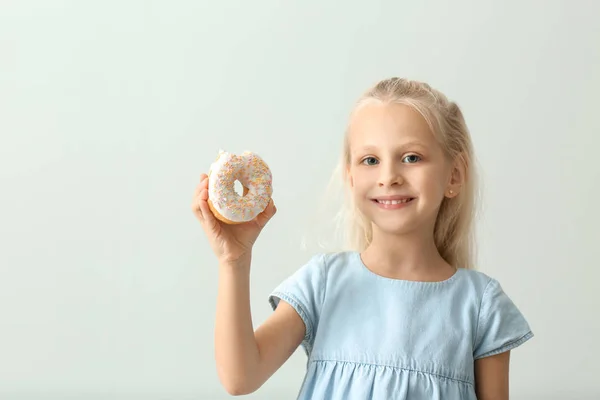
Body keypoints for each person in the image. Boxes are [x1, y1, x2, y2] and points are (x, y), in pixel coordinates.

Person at [192, 77, 533, 399]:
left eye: (411, 157)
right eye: (370, 160)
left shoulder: (481, 303)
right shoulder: (324, 282)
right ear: (351, 177)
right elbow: (240, 377)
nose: (388, 177)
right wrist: (234, 261)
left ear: (454, 176)